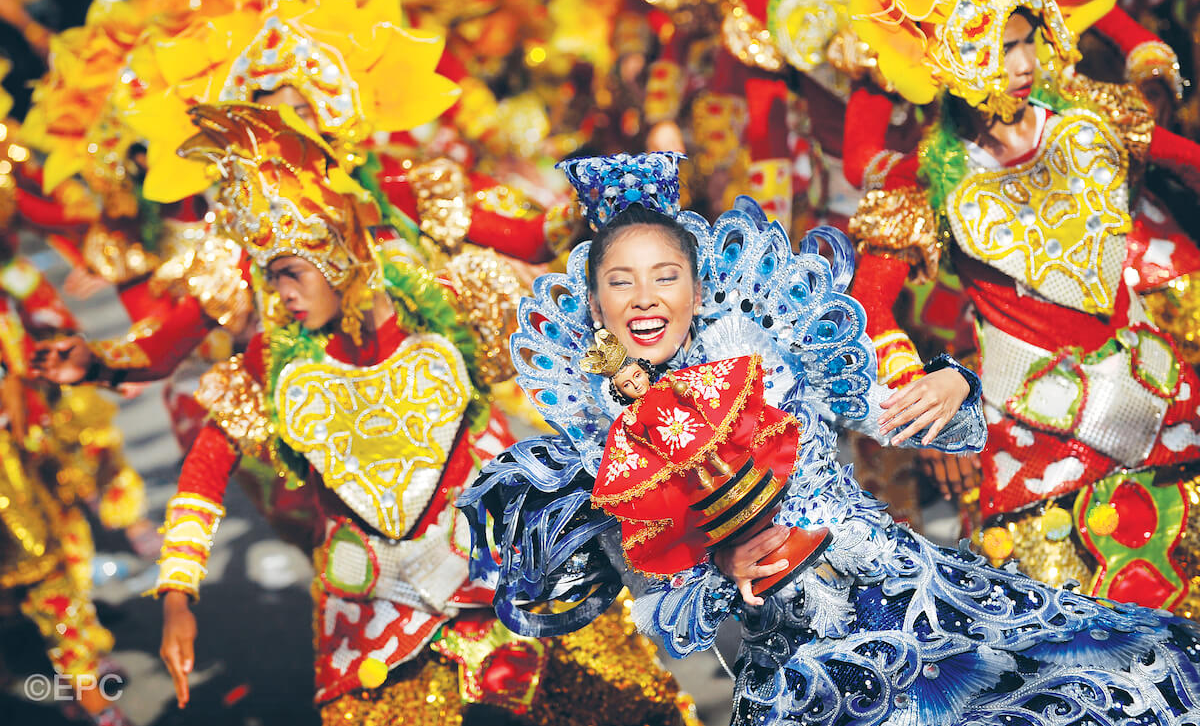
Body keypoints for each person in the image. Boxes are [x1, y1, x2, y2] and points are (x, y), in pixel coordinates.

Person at [460, 148, 1200, 725]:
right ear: (596, 302)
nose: (645, 299)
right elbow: (658, 587)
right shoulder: (601, 431)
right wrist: (720, 567)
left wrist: (952, 383)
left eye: (665, 276)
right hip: (793, 662)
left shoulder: (768, 346)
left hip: (902, 597)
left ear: (697, 284)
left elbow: (901, 414)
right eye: (622, 281)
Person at [148, 104, 698, 726]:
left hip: (504, 562)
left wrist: (613, 220)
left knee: (635, 709)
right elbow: (206, 467)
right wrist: (177, 593)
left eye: (290, 273)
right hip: (374, 604)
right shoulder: (275, 364)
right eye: (272, 279)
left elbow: (578, 330)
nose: (281, 297)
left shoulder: (448, 306)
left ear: (336, 252)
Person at [841, 0, 1200, 608]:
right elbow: (869, 307)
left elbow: (1189, 163)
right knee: (1074, 642)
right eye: (1002, 46)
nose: (1026, 63)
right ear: (951, 51)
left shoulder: (1094, 121)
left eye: (1029, 40)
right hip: (1035, 440)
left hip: (1162, 409)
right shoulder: (923, 179)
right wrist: (922, 388)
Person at [583, 328, 832, 592]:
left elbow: (696, 394)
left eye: (636, 376)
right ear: (620, 392)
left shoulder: (668, 385)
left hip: (698, 434)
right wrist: (633, 425)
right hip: (679, 451)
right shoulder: (635, 413)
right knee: (705, 481)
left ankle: (730, 479)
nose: (636, 385)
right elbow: (640, 436)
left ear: (644, 370)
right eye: (627, 385)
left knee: (728, 473)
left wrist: (685, 393)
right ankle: (720, 490)